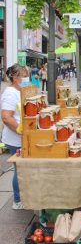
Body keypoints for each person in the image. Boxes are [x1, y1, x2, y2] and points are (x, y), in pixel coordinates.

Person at [1, 64, 29, 210]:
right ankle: (18, 201)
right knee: (20, 169)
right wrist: (22, 131)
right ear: (14, 77)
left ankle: (25, 196)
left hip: (23, 137)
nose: (26, 78)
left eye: (26, 75)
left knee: (24, 168)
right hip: (16, 139)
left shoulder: (21, 91)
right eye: (23, 76)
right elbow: (6, 118)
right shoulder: (10, 93)